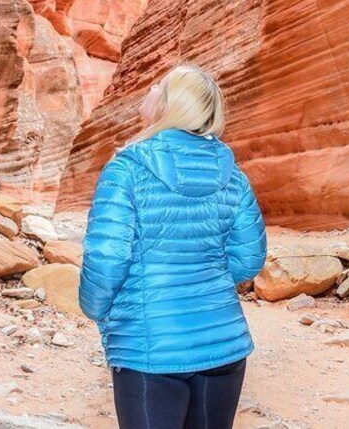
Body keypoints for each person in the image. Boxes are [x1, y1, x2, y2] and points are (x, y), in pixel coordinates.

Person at [79, 65, 268, 429]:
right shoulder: (234, 175)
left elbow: (107, 259)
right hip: (223, 344)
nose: (147, 90)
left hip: (150, 349)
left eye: (156, 86)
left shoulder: (126, 170)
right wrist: (206, 280)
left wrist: (96, 309)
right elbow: (249, 257)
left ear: (170, 104)